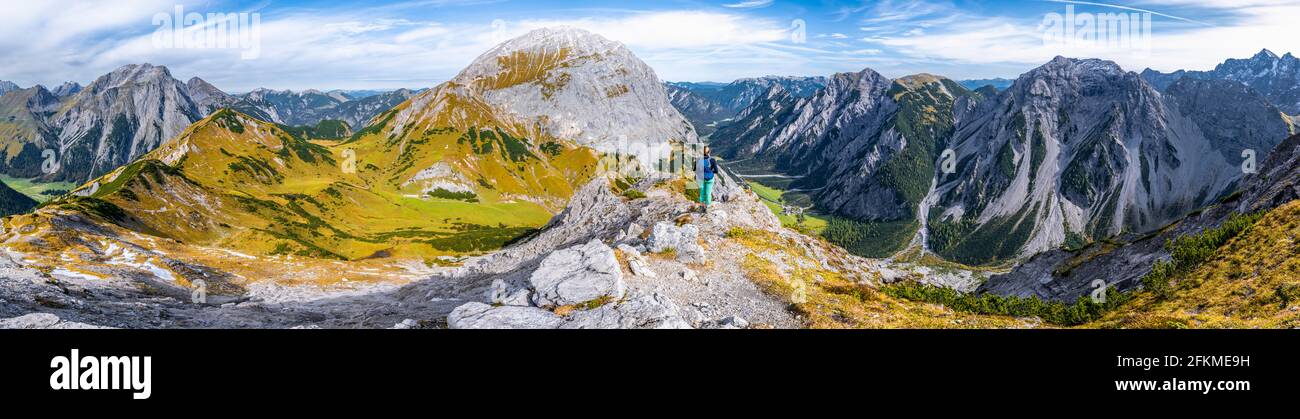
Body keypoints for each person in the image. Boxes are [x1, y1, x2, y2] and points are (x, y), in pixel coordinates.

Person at [696, 147, 719, 213]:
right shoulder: (712, 160)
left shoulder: (698, 160)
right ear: (709, 152)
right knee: (708, 193)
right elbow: (716, 171)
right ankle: (707, 208)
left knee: (702, 192)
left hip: (701, 178)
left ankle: (701, 207)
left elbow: (695, 170)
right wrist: (710, 172)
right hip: (710, 179)